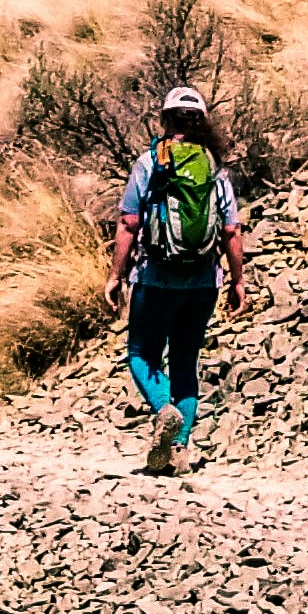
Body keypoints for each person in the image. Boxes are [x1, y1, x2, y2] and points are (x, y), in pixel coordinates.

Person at [103, 83, 247, 474]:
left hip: (154, 276)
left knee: (141, 354)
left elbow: (129, 222)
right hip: (203, 281)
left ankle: (165, 409)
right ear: (202, 123)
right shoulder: (214, 167)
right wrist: (237, 281)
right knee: (185, 361)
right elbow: (231, 231)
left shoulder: (151, 162)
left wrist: (116, 276)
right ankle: (178, 450)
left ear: (165, 120)